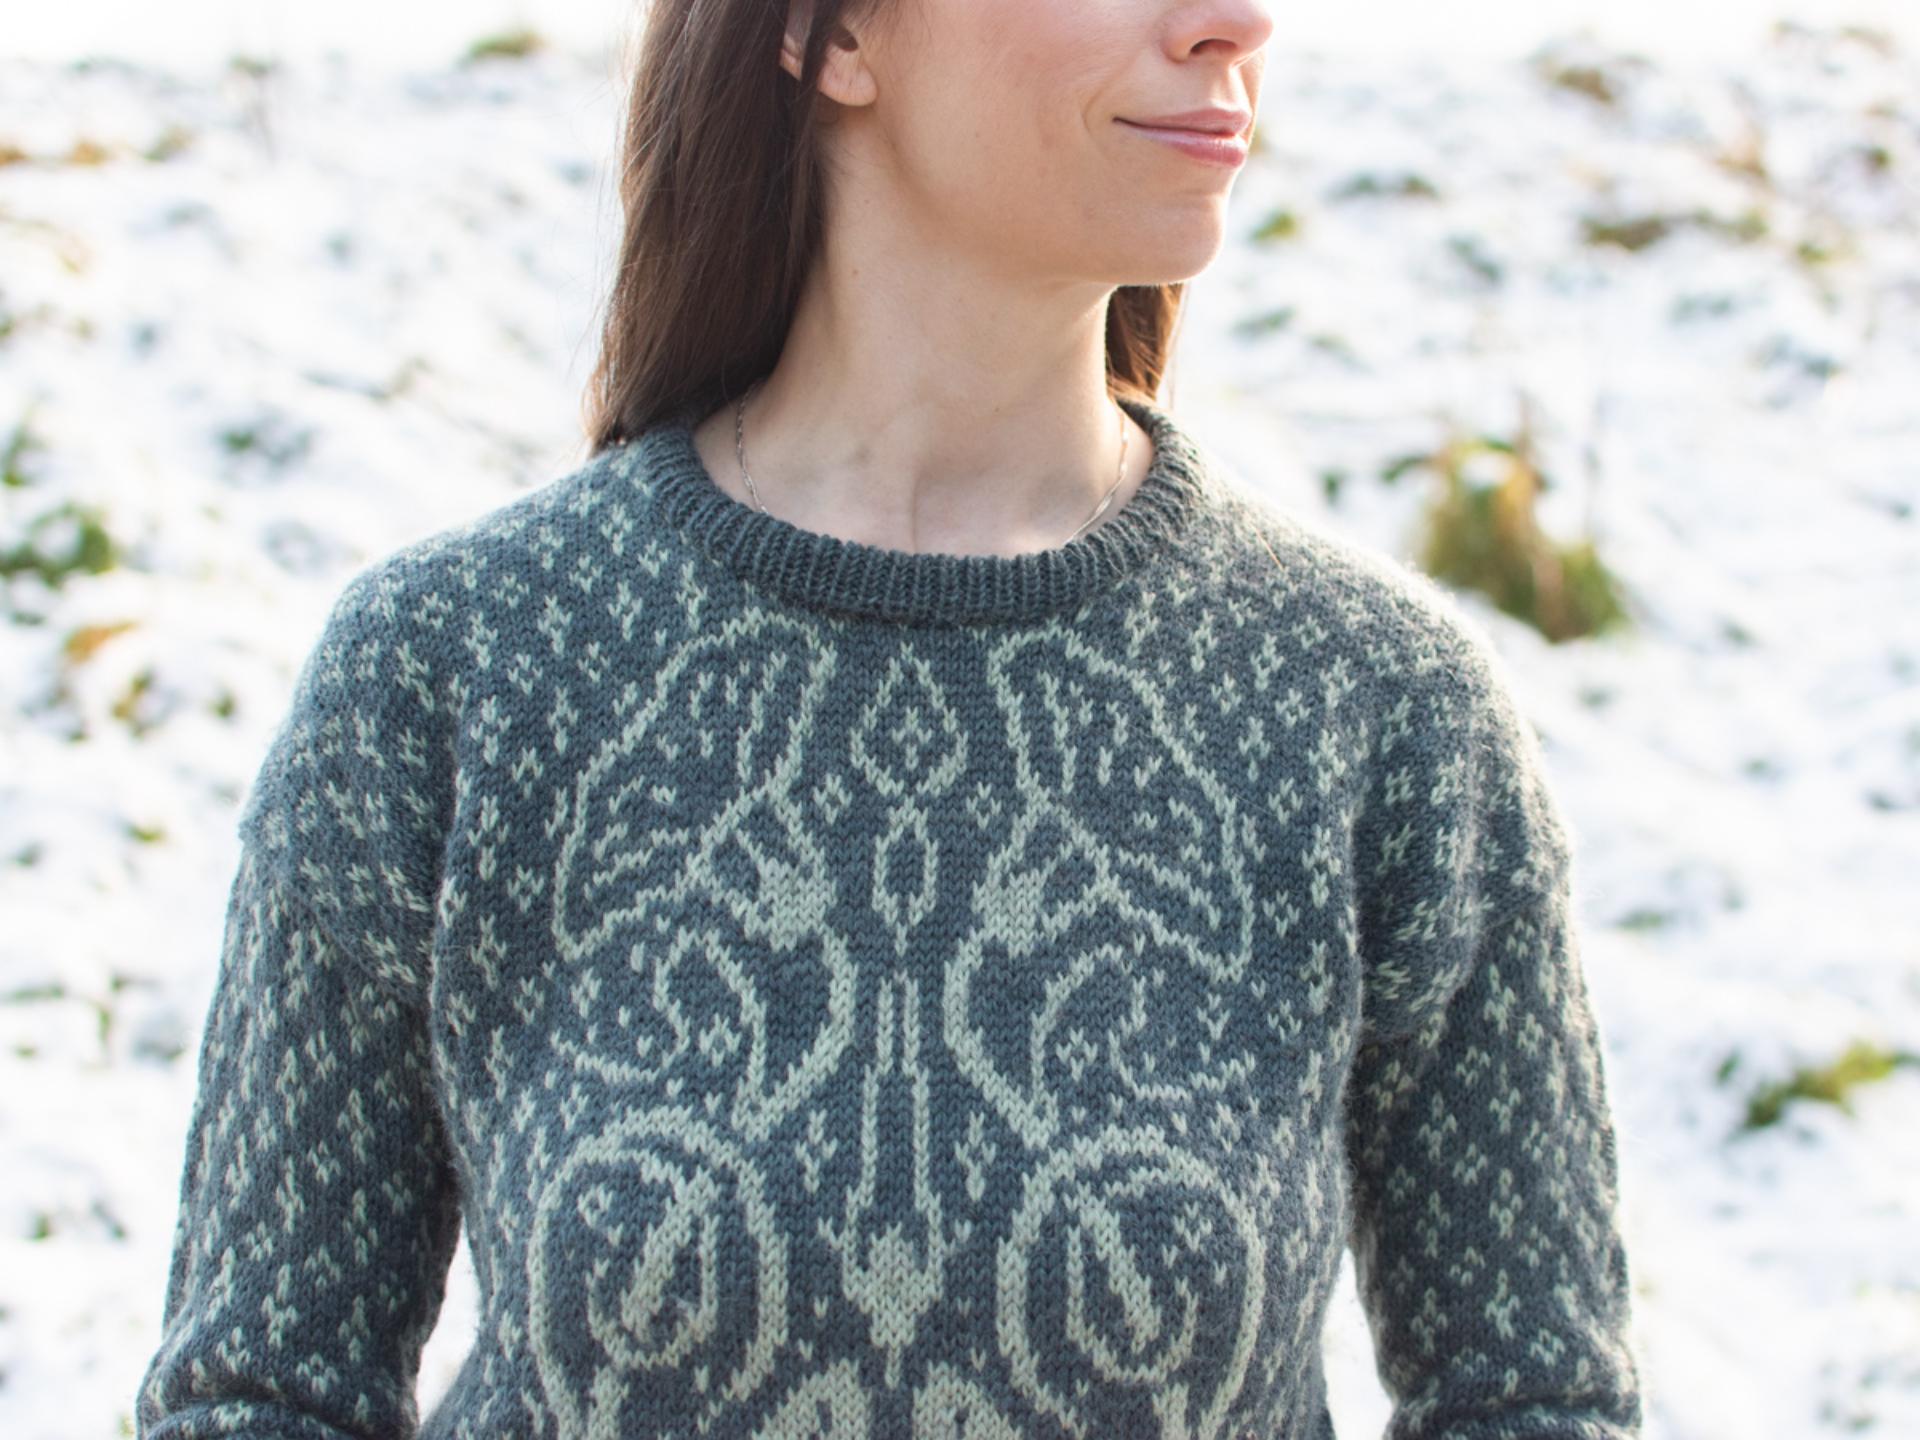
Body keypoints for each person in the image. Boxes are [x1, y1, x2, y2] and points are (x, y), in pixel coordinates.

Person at [133, 1, 1646, 1437]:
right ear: (829, 32)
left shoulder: (1378, 713)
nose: (1237, 19)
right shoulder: (455, 675)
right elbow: (259, 1396)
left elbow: (1536, 1405)